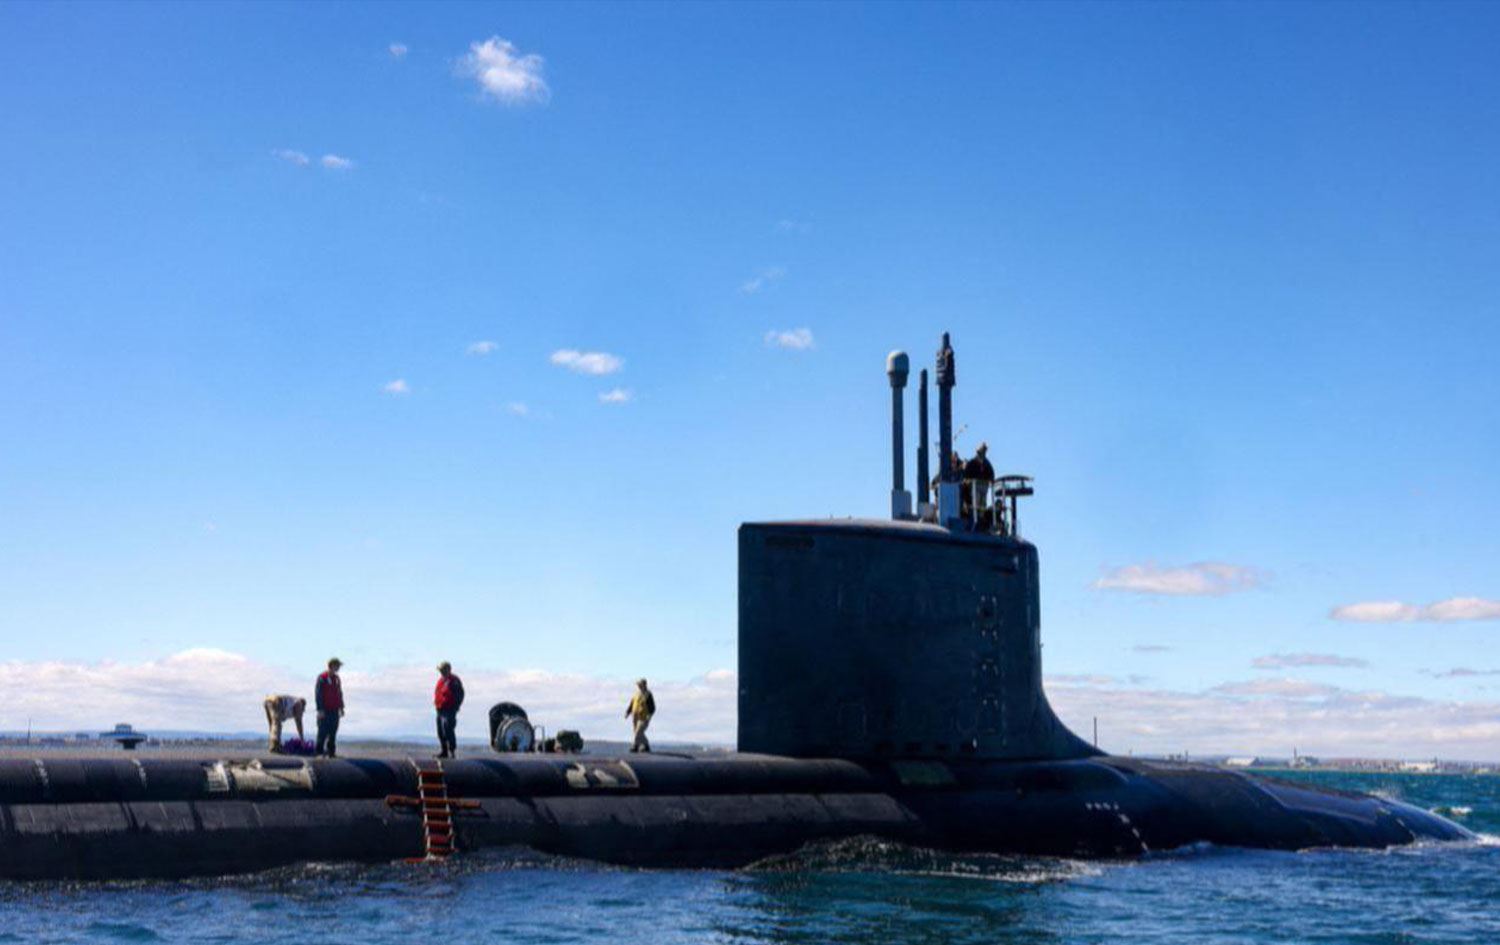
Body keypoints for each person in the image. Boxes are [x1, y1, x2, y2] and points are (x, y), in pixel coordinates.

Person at [433, 661, 465, 758]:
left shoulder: (454, 680)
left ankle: (452, 751)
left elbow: (460, 694)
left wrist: (455, 707)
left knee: (448, 729)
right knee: (440, 731)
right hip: (440, 709)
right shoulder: (441, 681)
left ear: (447, 670)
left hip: (449, 710)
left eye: (442, 670)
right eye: (440, 670)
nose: (441, 672)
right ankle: (444, 751)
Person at [314, 657, 344, 758]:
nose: (338, 668)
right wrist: (320, 709)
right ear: (332, 666)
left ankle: (331, 752)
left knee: (333, 731)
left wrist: (341, 707)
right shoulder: (322, 677)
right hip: (324, 710)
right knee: (322, 731)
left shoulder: (337, 679)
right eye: (337, 666)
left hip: (334, 710)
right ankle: (319, 752)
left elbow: (339, 693)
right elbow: (318, 694)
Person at [625, 678, 655, 753]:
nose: (638, 686)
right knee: (636, 732)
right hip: (635, 716)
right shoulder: (636, 694)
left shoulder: (648, 694)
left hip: (644, 717)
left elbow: (652, 707)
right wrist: (628, 712)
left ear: (644, 685)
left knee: (638, 732)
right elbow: (632, 704)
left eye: (640, 684)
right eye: (638, 685)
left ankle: (638, 745)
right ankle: (641, 746)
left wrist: (649, 715)